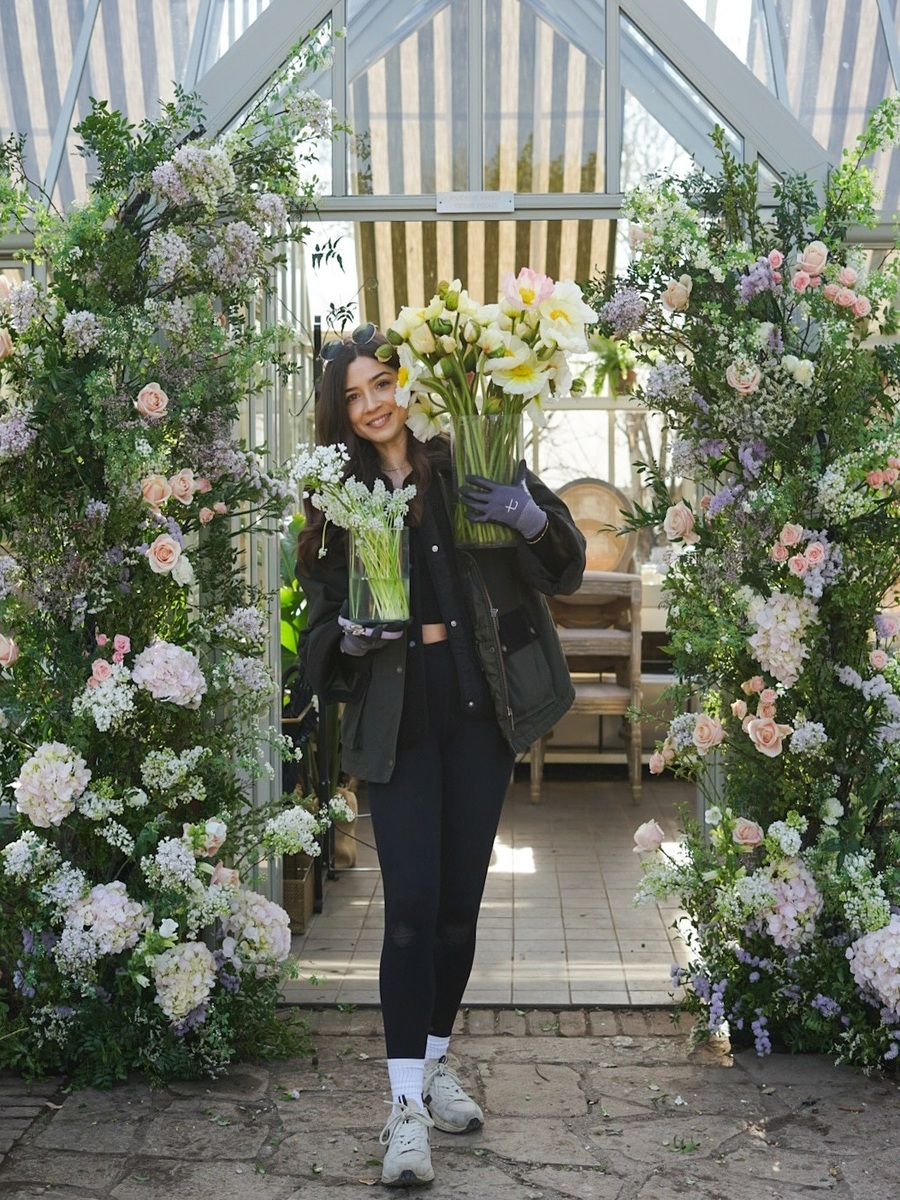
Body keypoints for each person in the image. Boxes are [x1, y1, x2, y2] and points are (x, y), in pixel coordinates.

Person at [295, 323, 585, 1188]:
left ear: (407, 385)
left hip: (478, 713)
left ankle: (431, 1062)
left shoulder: (467, 458)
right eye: (354, 395)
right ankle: (403, 1110)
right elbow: (312, 627)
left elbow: (563, 567)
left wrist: (531, 518)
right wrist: (343, 641)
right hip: (401, 724)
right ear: (341, 414)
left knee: (459, 908)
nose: (374, 403)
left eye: (382, 383)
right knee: (412, 908)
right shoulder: (337, 497)